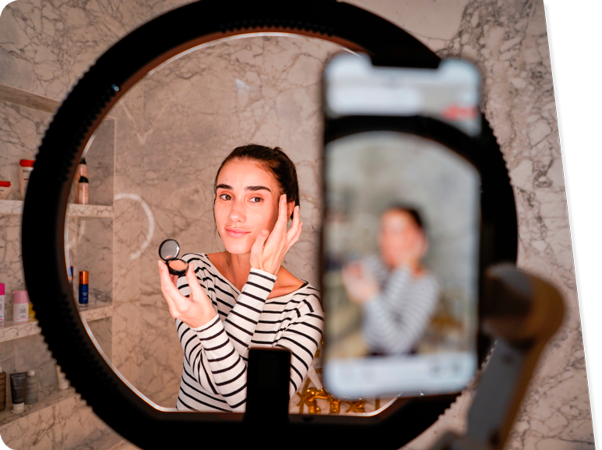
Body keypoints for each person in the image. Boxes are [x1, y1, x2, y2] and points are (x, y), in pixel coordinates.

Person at [158, 144, 324, 412]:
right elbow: (208, 382)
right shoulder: (194, 271)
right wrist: (261, 280)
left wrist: (208, 322)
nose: (235, 214)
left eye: (255, 198)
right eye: (226, 196)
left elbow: (255, 406)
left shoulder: (305, 308)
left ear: (288, 210)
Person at [341, 205, 439, 356]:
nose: (384, 239)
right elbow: (371, 335)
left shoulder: (426, 284)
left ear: (418, 238)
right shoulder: (374, 266)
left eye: (396, 231)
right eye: (383, 230)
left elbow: (396, 346)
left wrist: (371, 297)